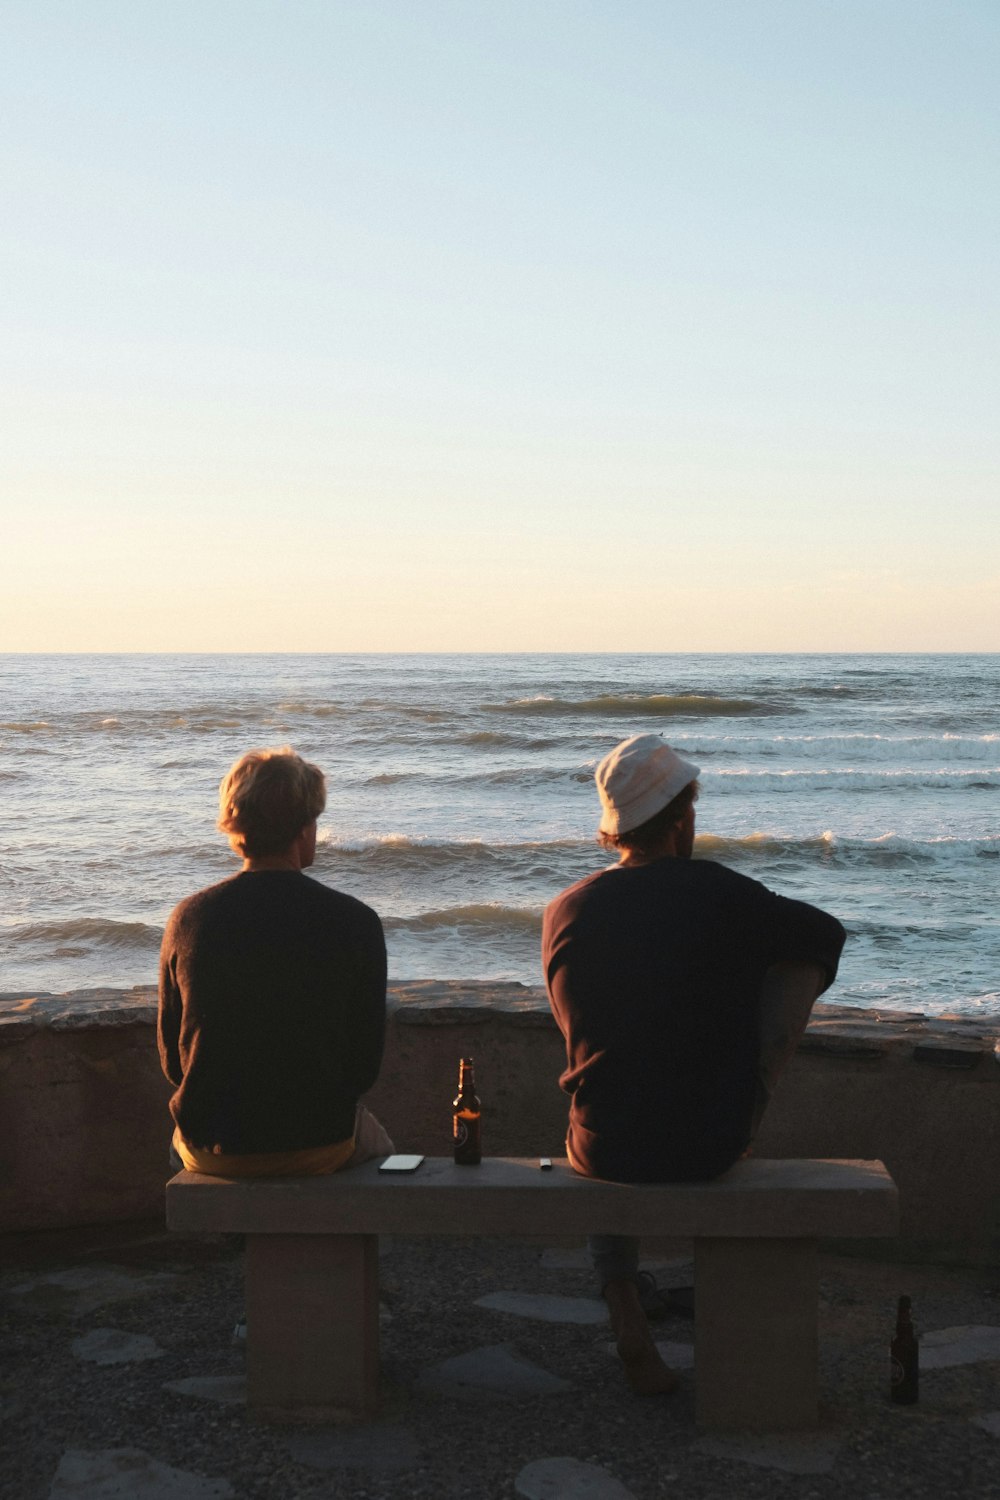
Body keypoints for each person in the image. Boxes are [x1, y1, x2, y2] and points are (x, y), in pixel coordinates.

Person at [542, 733, 846, 1395]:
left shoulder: (564, 908)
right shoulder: (724, 895)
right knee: (794, 956)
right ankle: (753, 1092)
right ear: (682, 817)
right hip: (709, 1139)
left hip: (600, 1147)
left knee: (604, 1092)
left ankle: (623, 1301)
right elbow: (825, 936)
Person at [158, 746, 392, 1178]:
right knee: (385, 1150)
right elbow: (362, 1069)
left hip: (211, 1145)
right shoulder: (355, 921)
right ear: (304, 829)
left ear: (236, 830)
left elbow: (176, 1064)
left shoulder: (187, 919)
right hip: (318, 1143)